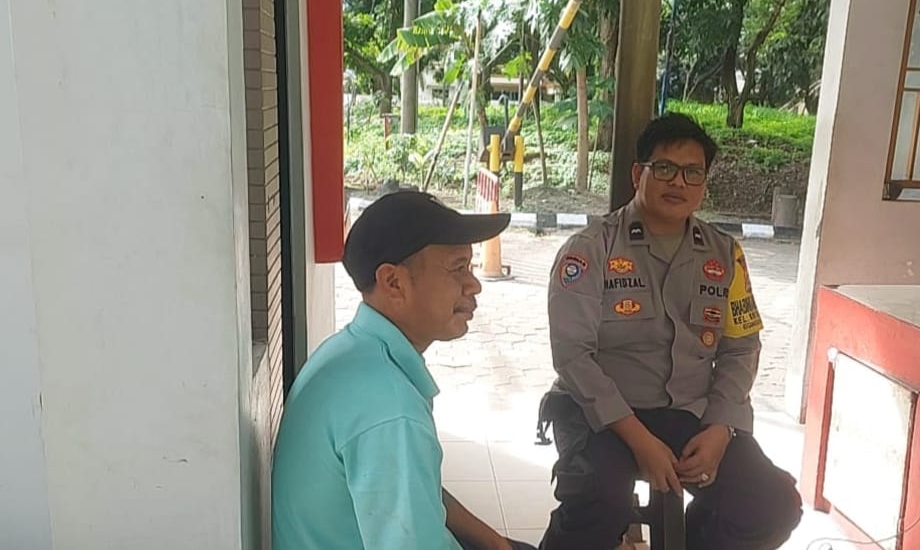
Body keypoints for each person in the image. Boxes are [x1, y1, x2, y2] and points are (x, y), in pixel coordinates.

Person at [537, 114, 802, 550]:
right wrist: (639, 440)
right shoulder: (590, 249)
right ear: (637, 174)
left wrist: (721, 427)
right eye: (664, 168)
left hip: (688, 412)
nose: (678, 181)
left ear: (703, 183)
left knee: (774, 505)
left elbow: (741, 348)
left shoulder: (724, 254)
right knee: (599, 500)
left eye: (692, 172)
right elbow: (572, 355)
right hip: (597, 412)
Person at [272, 191, 537, 550]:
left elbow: (419, 487)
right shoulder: (388, 406)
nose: (474, 285)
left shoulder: (352, 350)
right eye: (458, 268)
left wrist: (495, 542)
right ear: (393, 283)